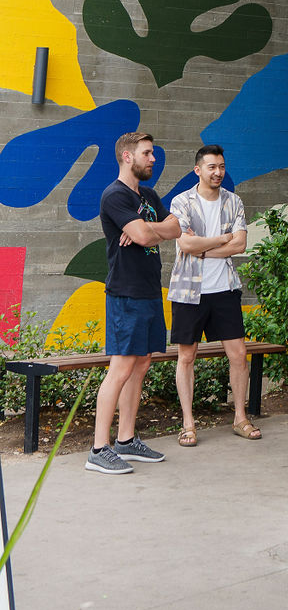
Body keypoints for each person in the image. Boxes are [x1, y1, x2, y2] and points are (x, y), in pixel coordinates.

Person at [89, 130, 181, 474]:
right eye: (147, 153)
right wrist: (148, 228)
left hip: (148, 290)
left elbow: (177, 228)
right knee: (122, 367)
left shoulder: (149, 195)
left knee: (141, 363)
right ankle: (99, 448)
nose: (153, 159)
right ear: (128, 156)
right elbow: (147, 234)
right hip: (125, 292)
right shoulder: (114, 196)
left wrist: (148, 226)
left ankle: (126, 440)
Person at [167, 144, 259, 445]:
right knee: (186, 357)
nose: (218, 172)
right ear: (198, 170)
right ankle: (188, 424)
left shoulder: (234, 202)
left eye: (221, 166)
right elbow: (185, 246)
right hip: (188, 290)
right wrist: (221, 239)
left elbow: (241, 245)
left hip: (224, 290)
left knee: (239, 355)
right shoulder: (181, 202)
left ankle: (240, 418)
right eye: (212, 167)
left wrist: (203, 246)